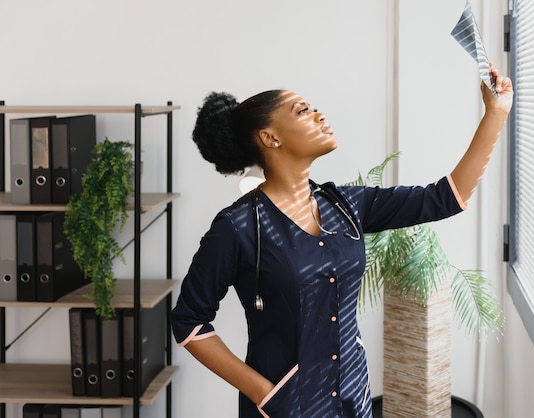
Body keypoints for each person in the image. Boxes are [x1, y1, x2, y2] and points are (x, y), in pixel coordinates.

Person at [171, 65, 514, 418]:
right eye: (303, 111)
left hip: (353, 399)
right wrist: (264, 392)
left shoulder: (346, 205)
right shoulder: (238, 227)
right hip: (286, 408)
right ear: (270, 138)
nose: (319, 115)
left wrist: (496, 113)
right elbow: (189, 321)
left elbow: (445, 198)